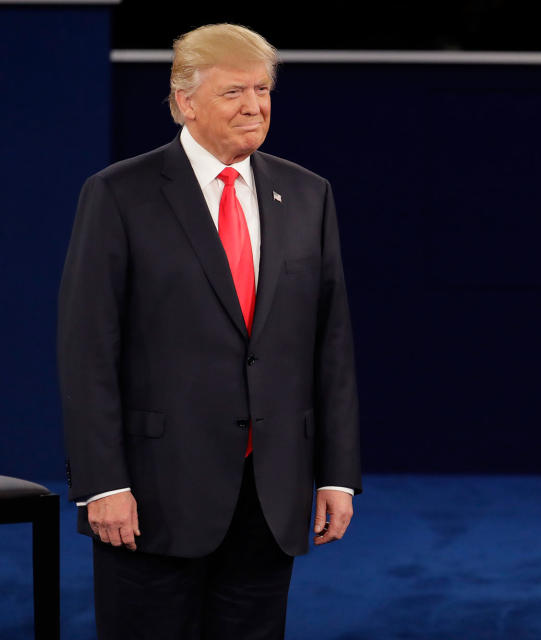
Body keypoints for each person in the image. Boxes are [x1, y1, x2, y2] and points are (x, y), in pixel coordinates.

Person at [58, 23, 361, 639]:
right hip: (150, 494)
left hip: (271, 490)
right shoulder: (119, 194)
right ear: (184, 101)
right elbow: (87, 349)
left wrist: (336, 474)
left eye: (262, 90)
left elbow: (331, 345)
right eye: (233, 92)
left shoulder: (307, 195)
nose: (254, 106)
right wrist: (102, 484)